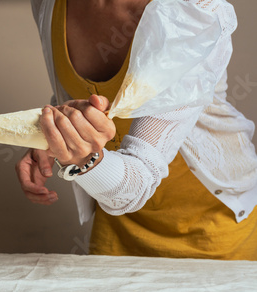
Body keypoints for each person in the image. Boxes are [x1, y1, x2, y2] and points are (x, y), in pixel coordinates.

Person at [16, 0, 257, 260]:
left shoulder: (197, 9)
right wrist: (53, 137)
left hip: (213, 221)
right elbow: (81, 97)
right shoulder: (49, 4)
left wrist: (81, 158)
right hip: (116, 218)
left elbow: (139, 179)